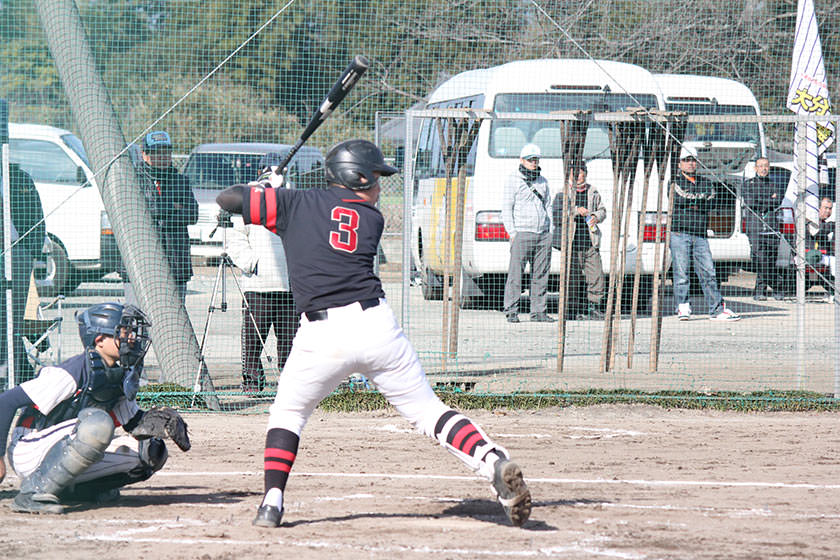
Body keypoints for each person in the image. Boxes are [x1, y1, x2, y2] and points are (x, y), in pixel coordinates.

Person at [216, 139, 532, 528]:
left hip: (322, 335)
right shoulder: (370, 217)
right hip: (376, 327)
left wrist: (264, 189)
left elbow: (228, 199)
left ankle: (271, 503)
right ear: (358, 178)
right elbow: (321, 216)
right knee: (427, 411)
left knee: (289, 413)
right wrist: (278, 195)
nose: (380, 186)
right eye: (376, 177)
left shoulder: (295, 203)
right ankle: (490, 459)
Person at [0, 302, 190, 513]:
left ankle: (79, 491)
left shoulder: (120, 374)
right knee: (98, 425)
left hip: (66, 443)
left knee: (151, 452)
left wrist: (159, 420)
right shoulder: (71, 372)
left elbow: (133, 424)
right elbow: (6, 402)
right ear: (99, 340)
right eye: (124, 332)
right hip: (30, 448)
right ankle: (31, 493)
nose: (132, 338)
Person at [226, 153, 298, 393]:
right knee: (253, 341)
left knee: (290, 340)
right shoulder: (248, 200)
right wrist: (251, 263)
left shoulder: (292, 199)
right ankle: (252, 383)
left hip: (290, 285)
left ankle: (290, 385)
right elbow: (236, 239)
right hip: (258, 285)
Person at [123, 131, 198, 305]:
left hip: (175, 260)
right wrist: (172, 207)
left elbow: (192, 214)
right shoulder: (132, 180)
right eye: (157, 152)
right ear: (144, 154)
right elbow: (135, 213)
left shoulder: (181, 181)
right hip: (139, 261)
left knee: (176, 310)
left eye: (166, 152)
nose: (163, 157)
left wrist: (159, 212)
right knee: (136, 314)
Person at [670, 146, 740, 321]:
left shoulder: (706, 182)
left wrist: (693, 200)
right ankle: (683, 307)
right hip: (679, 233)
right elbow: (679, 199)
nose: (690, 163)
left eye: (693, 160)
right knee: (681, 273)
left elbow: (711, 202)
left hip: (700, 234)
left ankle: (716, 309)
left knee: (709, 272)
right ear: (679, 164)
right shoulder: (675, 182)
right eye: (686, 160)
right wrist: (699, 199)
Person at [0, 163, 46, 382]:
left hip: (17, 252)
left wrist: (32, 252)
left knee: (12, 321)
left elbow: (37, 215)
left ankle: (12, 378)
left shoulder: (18, 178)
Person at [501, 143, 554, 323]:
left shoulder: (543, 181)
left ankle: (538, 312)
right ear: (522, 160)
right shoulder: (513, 180)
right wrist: (512, 232)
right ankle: (511, 310)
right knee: (516, 274)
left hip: (542, 234)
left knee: (541, 275)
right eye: (530, 159)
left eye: (536, 159)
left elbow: (548, 205)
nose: (533, 162)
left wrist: (550, 230)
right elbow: (507, 208)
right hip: (522, 233)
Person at [552, 164, 606, 319]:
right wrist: (575, 210)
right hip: (571, 244)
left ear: (585, 174)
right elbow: (557, 215)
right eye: (573, 173)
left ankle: (594, 307)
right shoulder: (562, 192)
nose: (576, 176)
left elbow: (602, 211)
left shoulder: (593, 191)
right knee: (571, 278)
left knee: (596, 277)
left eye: (580, 172)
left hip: (590, 242)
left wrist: (596, 216)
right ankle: (570, 309)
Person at [742, 157, 786, 300]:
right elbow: (750, 202)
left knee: (771, 258)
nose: (763, 169)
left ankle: (761, 291)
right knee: (761, 259)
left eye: (766, 166)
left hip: (771, 226)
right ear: (755, 168)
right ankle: (777, 285)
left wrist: (762, 201)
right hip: (755, 227)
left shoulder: (774, 184)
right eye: (760, 166)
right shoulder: (748, 184)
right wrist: (769, 200)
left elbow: (777, 202)